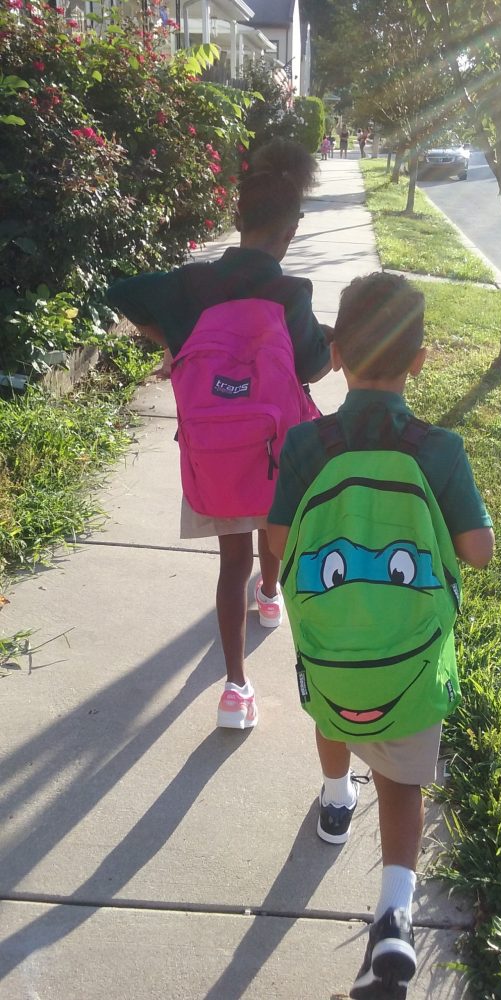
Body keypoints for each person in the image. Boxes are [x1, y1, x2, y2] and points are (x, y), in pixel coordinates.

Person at [267, 272, 494, 999]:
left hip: (330, 644)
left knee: (332, 713)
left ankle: (336, 798)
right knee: (403, 780)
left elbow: (276, 541)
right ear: (420, 360)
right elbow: (477, 551)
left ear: (335, 351)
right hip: (410, 657)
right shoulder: (440, 448)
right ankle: (393, 915)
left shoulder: (308, 443)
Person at [107, 140, 331, 731]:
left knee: (232, 561)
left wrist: (175, 346)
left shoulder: (192, 284)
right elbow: (310, 367)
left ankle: (235, 690)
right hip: (274, 454)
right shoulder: (292, 294)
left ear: (237, 218)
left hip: (213, 453)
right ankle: (271, 595)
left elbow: (121, 291)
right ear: (291, 230)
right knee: (270, 532)